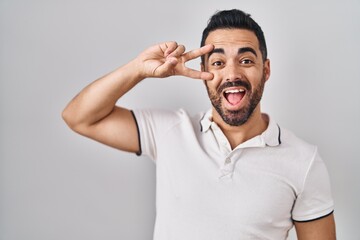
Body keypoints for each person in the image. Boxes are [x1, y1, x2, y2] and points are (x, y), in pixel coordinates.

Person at [62, 9, 336, 240]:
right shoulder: (169, 131)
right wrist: (138, 68)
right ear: (203, 73)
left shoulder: (304, 162)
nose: (232, 74)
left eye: (246, 60)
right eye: (217, 62)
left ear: (265, 70)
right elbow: (79, 117)